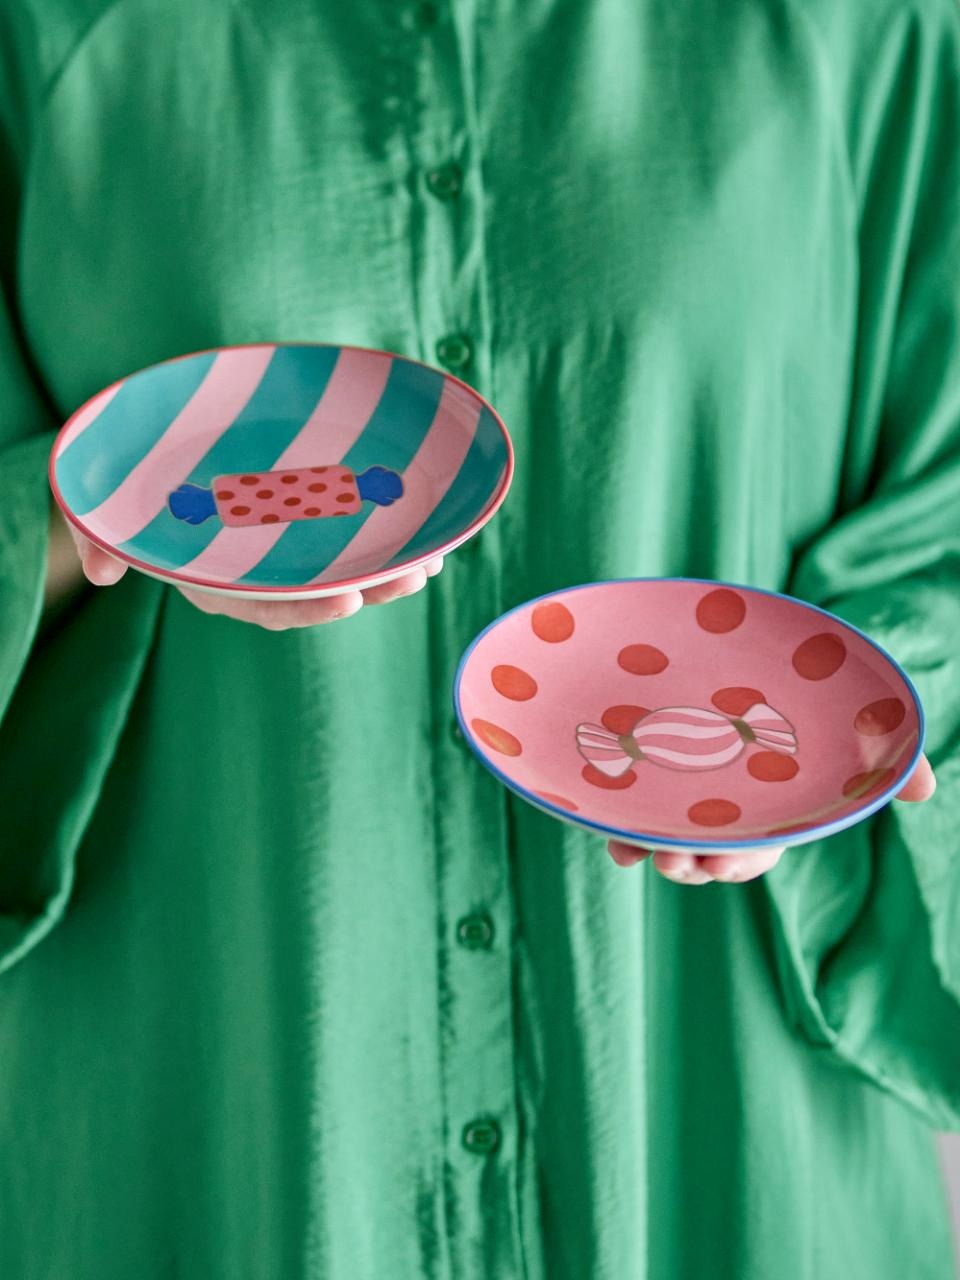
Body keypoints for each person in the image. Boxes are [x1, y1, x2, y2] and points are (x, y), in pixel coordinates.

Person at [1, 0, 958, 1276]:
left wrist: (845, 726)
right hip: (222, 1056)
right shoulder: (48, 38)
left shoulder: (865, 31)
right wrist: (99, 521)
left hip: (713, 1055)